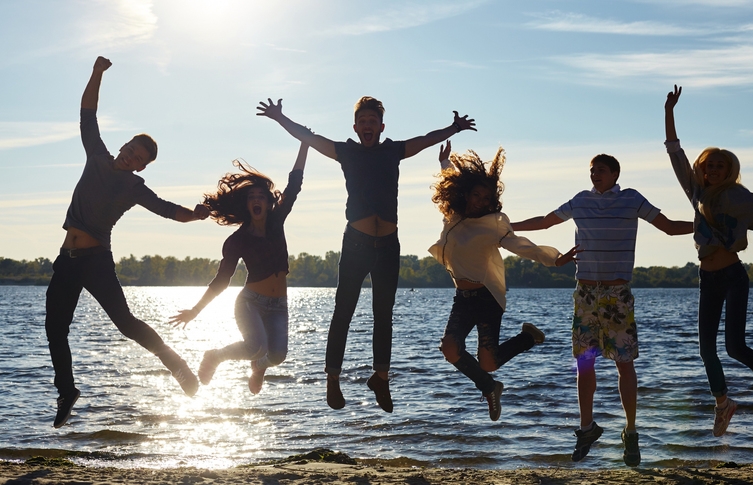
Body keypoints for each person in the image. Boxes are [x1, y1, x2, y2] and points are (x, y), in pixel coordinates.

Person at [256, 96, 475, 412]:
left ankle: (381, 378)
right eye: (363, 122)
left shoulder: (393, 151)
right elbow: (309, 137)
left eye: (373, 121)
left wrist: (454, 127)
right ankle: (333, 378)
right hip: (356, 244)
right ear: (355, 127)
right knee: (343, 312)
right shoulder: (346, 152)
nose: (368, 126)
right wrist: (280, 117)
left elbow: (426, 140)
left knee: (383, 315)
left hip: (388, 246)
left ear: (381, 127)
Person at [46, 56, 210, 428]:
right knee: (55, 328)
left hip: (95, 261)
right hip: (67, 260)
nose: (130, 157)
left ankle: (176, 365)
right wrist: (96, 73)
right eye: (130, 149)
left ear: (141, 166)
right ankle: (67, 391)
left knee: (125, 323)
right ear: (123, 146)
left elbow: (167, 210)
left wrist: (197, 215)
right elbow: (87, 114)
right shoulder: (96, 156)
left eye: (138, 158)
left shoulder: (134, 187)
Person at [511, 153, 693, 466]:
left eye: (602, 170)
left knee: (624, 365)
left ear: (615, 174)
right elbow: (544, 221)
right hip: (585, 293)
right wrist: (504, 227)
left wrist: (706, 225)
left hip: (616, 294)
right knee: (584, 363)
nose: (595, 175)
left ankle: (631, 432)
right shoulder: (580, 200)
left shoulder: (631, 199)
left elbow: (669, 227)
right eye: (592, 170)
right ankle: (587, 428)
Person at [664, 85, 753, 437]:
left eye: (720, 165)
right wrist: (669, 112)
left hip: (732, 275)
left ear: (729, 170)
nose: (713, 169)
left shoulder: (737, 196)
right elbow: (675, 153)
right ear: (702, 168)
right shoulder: (696, 192)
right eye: (709, 165)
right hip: (707, 278)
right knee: (706, 350)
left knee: (735, 346)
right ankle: (723, 404)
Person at [430, 142, 579, 421]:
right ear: (466, 194)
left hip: (486, 297)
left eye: (486, 198)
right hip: (462, 298)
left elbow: (521, 246)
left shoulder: (493, 224)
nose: (480, 201)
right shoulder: (453, 215)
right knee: (450, 349)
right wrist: (444, 164)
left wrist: (556, 259)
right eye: (476, 195)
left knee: (488, 362)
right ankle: (490, 387)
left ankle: (528, 337)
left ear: (492, 201)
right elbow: (452, 182)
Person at [170, 144, 308, 394]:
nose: (256, 200)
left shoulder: (276, 221)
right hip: (250, 303)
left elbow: (294, 185)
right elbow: (221, 280)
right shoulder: (237, 240)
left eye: (261, 197)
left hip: (279, 304)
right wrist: (195, 310)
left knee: (278, 356)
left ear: (268, 202)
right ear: (247, 205)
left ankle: (258, 367)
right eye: (251, 197)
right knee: (256, 346)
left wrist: (305, 143)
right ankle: (215, 356)